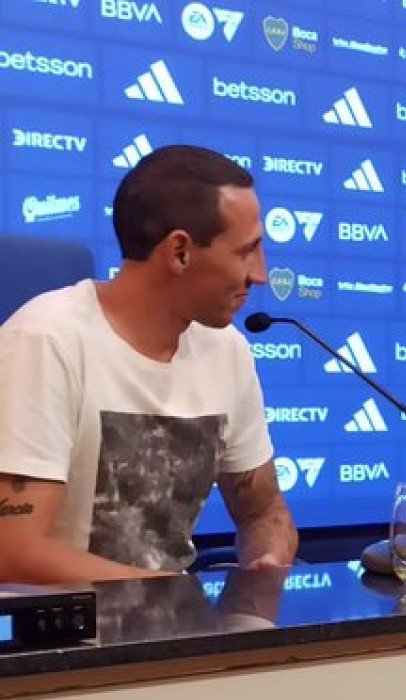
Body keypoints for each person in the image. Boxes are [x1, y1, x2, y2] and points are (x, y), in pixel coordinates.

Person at [0, 144, 297, 584]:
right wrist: (176, 597)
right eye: (245, 251)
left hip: (180, 639)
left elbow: (264, 511)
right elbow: (14, 553)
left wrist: (266, 566)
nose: (260, 274)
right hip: (65, 644)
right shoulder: (45, 339)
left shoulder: (226, 349)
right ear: (179, 251)